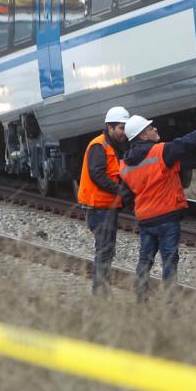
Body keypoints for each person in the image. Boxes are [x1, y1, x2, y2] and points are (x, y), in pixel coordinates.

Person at [120, 113, 196, 303]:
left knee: (144, 261)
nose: (155, 129)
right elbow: (189, 141)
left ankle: (141, 300)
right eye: (150, 128)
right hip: (166, 219)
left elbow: (126, 195)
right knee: (169, 262)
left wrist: (140, 209)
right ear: (143, 136)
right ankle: (171, 305)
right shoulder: (160, 152)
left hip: (145, 221)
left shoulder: (124, 164)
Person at [77, 106, 133, 297]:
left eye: (125, 127)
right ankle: (100, 293)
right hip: (98, 206)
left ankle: (102, 289)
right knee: (105, 249)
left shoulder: (116, 146)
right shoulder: (98, 146)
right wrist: (121, 191)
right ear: (110, 128)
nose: (124, 131)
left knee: (106, 249)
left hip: (106, 205)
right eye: (121, 127)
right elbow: (97, 174)